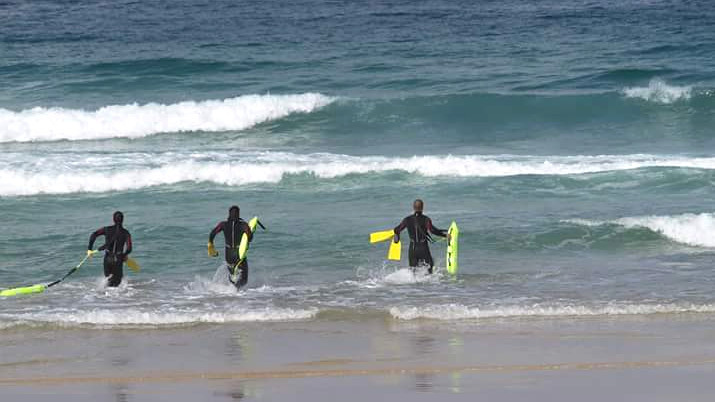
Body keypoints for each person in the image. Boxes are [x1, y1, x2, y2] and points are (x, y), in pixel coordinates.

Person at [393, 199, 448, 273]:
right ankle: (429, 284)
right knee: (430, 267)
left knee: (413, 272)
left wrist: (397, 237)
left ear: (413, 207)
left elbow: (397, 229)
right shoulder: (426, 219)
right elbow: (433, 230)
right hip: (423, 248)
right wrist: (445, 235)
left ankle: (413, 284)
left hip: (412, 249)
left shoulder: (407, 219)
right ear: (422, 207)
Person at [208, 205, 253, 288]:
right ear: (239, 214)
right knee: (244, 280)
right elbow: (250, 238)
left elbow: (213, 233)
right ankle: (235, 291)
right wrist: (250, 231)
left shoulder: (223, 224)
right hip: (238, 254)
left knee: (233, 275)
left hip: (228, 255)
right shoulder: (243, 225)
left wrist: (211, 244)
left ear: (229, 214)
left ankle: (231, 293)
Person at [88, 211, 133, 287]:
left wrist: (90, 249)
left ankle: (104, 297)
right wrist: (124, 255)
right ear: (123, 220)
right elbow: (129, 248)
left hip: (108, 258)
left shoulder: (106, 229)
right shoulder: (126, 233)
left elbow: (93, 235)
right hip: (118, 259)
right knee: (117, 284)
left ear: (113, 219)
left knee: (108, 280)